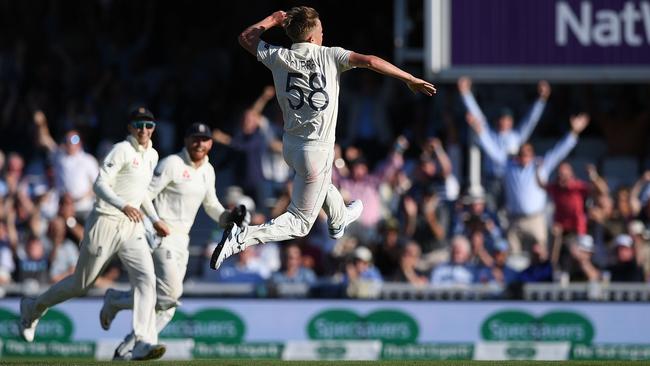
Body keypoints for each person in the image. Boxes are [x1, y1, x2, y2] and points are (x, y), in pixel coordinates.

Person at [210, 6, 436, 270]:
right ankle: (243, 238)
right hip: (317, 150)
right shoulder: (331, 55)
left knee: (322, 185)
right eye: (320, 31)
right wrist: (409, 78)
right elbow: (372, 61)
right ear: (310, 38)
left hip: (291, 147)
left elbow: (246, 38)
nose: (323, 34)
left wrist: (272, 20)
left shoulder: (278, 55)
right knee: (300, 223)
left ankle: (339, 219)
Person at [19, 107, 168, 361]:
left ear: (153, 128)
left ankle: (143, 340)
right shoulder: (122, 150)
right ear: (130, 127)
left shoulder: (152, 155)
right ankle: (33, 308)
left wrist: (154, 219)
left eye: (149, 125)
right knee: (81, 284)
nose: (144, 130)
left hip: (131, 227)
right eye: (139, 124)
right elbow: (99, 184)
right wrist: (123, 205)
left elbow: (141, 190)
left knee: (146, 280)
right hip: (105, 222)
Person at [99, 123, 247, 360]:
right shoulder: (172, 164)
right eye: (195, 138)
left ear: (211, 143)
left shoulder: (207, 170)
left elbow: (211, 205)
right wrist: (154, 222)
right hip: (161, 234)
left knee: (168, 306)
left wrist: (228, 217)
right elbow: (144, 193)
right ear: (187, 140)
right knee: (171, 294)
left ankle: (128, 347)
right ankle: (118, 304)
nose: (200, 143)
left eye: (205, 139)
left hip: (183, 240)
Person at [467, 113, 589, 256]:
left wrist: (573, 133)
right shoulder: (508, 166)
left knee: (543, 254)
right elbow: (492, 151)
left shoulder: (540, 166)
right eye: (522, 153)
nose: (524, 155)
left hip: (535, 219)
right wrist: (480, 132)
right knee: (512, 257)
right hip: (514, 220)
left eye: (527, 153)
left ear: (532, 154)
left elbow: (559, 152)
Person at [34, 110, 99, 219]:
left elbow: (97, 185)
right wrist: (42, 123)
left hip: (83, 208)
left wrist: (81, 198)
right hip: (61, 208)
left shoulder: (88, 160)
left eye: (74, 139)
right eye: (67, 140)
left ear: (80, 142)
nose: (70, 142)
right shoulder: (59, 156)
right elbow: (44, 139)